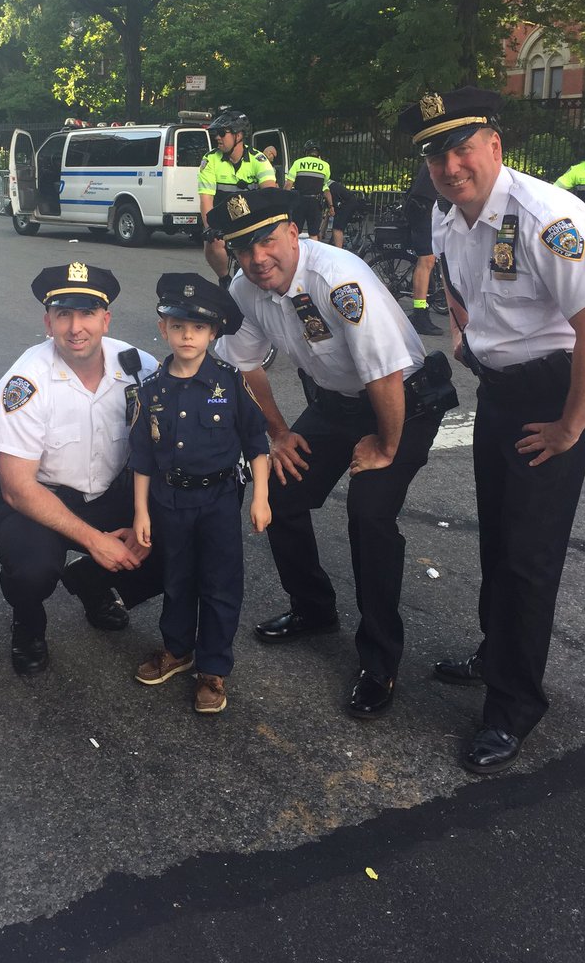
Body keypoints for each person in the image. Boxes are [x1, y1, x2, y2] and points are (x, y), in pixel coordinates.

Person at [397, 87, 585, 775]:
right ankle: (498, 654)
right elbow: (459, 293)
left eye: (462, 146)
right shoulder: (448, 216)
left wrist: (569, 428)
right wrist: (468, 342)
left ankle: (515, 704)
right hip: (501, 389)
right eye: (436, 152)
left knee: (529, 553)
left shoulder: (547, 215)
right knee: (497, 533)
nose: (450, 163)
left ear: (495, 146)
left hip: (558, 392)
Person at [208, 189, 457, 718]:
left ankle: (379, 660)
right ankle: (314, 609)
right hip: (339, 403)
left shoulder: (337, 279)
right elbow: (244, 365)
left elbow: (383, 370)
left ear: (294, 233)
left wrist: (386, 445)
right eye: (243, 248)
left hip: (401, 402)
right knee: (277, 489)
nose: (257, 258)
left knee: (369, 513)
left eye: (268, 241)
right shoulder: (245, 290)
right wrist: (276, 431)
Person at [0, 262, 164, 676]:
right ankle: (27, 621)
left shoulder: (140, 367)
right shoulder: (24, 383)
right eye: (63, 314)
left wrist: (143, 517)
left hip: (113, 491)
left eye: (87, 314)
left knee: (182, 540)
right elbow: (16, 488)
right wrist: (96, 541)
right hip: (40, 498)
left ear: (106, 319)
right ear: (48, 322)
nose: (75, 327)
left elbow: (163, 449)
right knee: (31, 571)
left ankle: (91, 583)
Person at [130, 273, 270, 714]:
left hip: (219, 502)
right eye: (177, 325)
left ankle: (212, 667)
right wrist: (140, 513)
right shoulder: (150, 390)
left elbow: (257, 442)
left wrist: (261, 496)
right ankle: (178, 650)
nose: (187, 335)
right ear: (163, 329)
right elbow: (141, 458)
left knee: (220, 584)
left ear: (213, 333)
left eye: (198, 327)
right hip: (169, 503)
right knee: (177, 579)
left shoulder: (229, 382)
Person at [198, 109, 277, 285]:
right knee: (211, 242)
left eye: (221, 133)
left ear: (238, 135)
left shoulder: (258, 159)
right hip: (223, 219)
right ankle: (225, 280)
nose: (217, 137)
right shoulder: (210, 159)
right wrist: (209, 227)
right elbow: (206, 199)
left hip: (251, 218)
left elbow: (270, 194)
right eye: (214, 134)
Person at [403, 161, 445, 336]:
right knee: (427, 259)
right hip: (424, 208)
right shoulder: (443, 154)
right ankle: (419, 313)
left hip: (430, 207)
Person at [283, 140, 331, 240]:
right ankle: (313, 255)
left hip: (299, 201)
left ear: (306, 151)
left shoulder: (298, 163)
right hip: (315, 202)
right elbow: (325, 185)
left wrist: (283, 200)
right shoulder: (325, 165)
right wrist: (331, 205)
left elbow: (288, 184)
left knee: (295, 231)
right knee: (313, 233)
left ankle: (293, 253)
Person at [325, 178, 363, 249]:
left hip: (345, 204)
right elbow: (327, 212)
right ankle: (338, 246)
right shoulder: (327, 182)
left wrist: (321, 233)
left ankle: (339, 252)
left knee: (337, 228)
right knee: (337, 226)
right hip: (348, 201)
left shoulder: (324, 186)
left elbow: (329, 207)